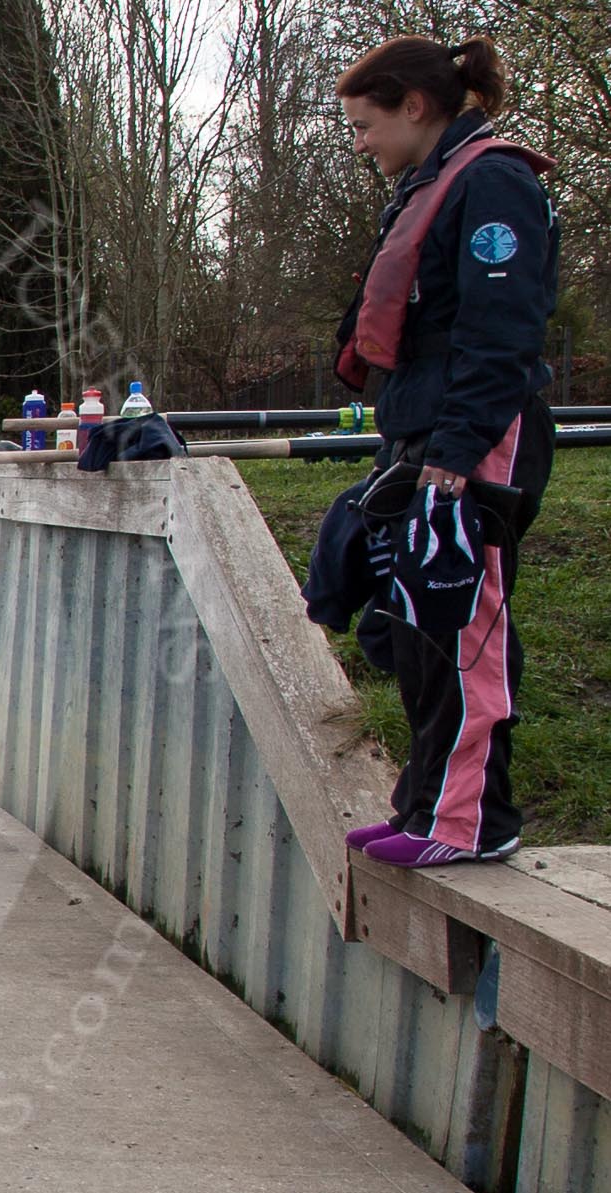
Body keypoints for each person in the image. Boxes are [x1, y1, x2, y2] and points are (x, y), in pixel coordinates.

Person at [332, 34, 558, 868]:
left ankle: (473, 823)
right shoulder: (426, 183)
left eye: (364, 125)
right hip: (424, 432)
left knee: (466, 625)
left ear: (415, 106)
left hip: (477, 440)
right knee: (420, 626)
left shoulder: (493, 182)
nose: (359, 144)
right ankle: (424, 807)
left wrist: (455, 454)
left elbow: (500, 337)